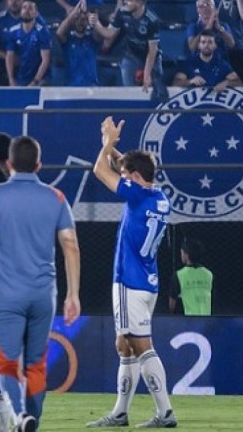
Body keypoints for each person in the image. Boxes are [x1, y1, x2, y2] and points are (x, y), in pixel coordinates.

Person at [0, 135, 81, 432]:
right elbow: (70, 245)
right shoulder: (55, 197)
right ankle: (32, 419)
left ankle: (18, 414)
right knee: (35, 363)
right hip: (44, 294)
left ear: (8, 164)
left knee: (4, 361)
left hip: (6, 294)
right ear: (39, 165)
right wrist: (73, 295)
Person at [87, 117, 177, 429]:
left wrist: (107, 144)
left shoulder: (137, 195)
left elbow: (100, 171)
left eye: (125, 175)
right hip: (148, 282)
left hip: (129, 281)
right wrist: (113, 148)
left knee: (140, 345)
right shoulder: (159, 197)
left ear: (136, 178)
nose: (121, 177)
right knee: (124, 344)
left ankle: (165, 412)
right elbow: (127, 168)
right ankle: (120, 413)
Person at [97, 0, 167, 101]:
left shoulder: (152, 20)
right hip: (131, 55)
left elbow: (152, 50)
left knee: (154, 89)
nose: (125, 2)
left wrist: (147, 73)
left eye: (129, 0)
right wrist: (96, 24)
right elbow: (109, 34)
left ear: (139, 3)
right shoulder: (122, 13)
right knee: (129, 91)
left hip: (151, 56)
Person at [4, 0, 51, 87]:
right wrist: (11, 79)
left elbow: (45, 60)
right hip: (20, 77)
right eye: (24, 7)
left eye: (30, 8)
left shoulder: (42, 32)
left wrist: (35, 81)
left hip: (40, 79)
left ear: (36, 13)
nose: (27, 10)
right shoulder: (13, 31)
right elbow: (9, 56)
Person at [173, 29, 242, 89]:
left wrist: (226, 83)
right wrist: (190, 81)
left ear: (215, 46)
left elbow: (238, 82)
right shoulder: (189, 63)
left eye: (210, 42)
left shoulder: (222, 64)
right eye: (203, 42)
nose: (206, 45)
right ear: (199, 46)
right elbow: (176, 83)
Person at [56, 0, 103, 87]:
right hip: (71, 85)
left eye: (83, 20)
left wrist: (89, 15)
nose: (80, 22)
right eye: (77, 19)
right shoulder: (68, 40)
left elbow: (98, 33)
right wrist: (74, 12)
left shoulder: (92, 39)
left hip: (91, 86)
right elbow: (59, 33)